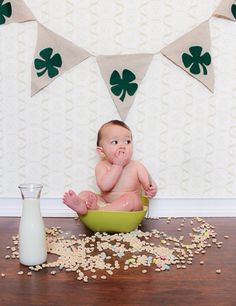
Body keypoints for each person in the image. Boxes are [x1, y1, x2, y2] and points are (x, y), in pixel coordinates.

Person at [63, 120, 157, 215]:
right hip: (104, 203)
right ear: (102, 152)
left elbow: (148, 184)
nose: (122, 146)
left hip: (129, 209)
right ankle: (81, 205)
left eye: (127, 141)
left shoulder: (137, 166)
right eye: (115, 142)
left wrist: (151, 189)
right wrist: (117, 166)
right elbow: (105, 187)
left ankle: (98, 211)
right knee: (85, 194)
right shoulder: (102, 166)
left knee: (133, 199)